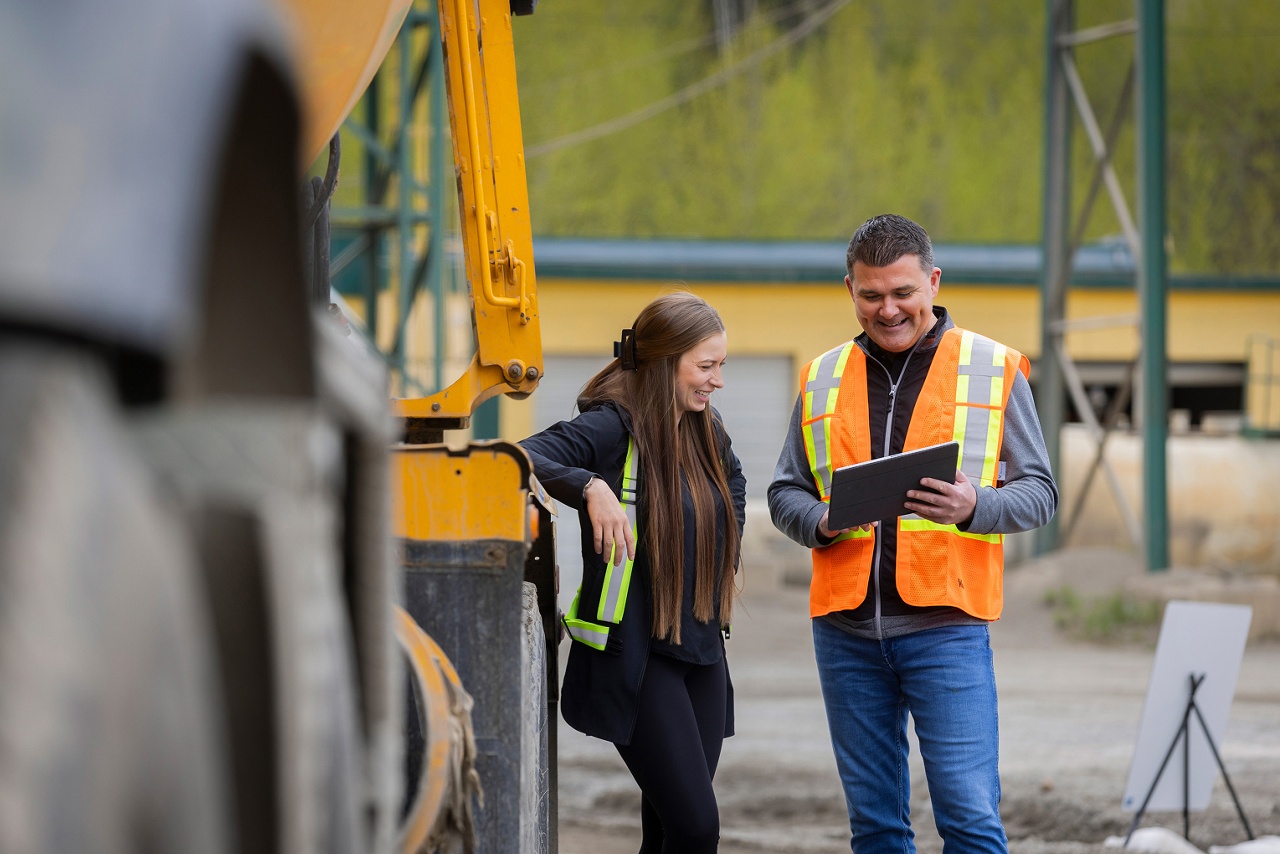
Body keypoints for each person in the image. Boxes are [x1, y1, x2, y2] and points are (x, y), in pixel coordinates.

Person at [768, 214, 1058, 854]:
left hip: (947, 629)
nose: (888, 309)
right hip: (844, 634)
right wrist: (818, 520)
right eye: (871, 296)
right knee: (874, 829)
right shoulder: (821, 376)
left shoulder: (992, 368)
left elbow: (1040, 493)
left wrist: (973, 506)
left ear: (932, 281)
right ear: (850, 289)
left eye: (903, 293)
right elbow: (784, 490)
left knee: (970, 822)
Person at [520, 291, 746, 853]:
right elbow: (517, 454)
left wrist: (720, 554)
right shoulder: (610, 426)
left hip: (701, 653)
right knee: (696, 830)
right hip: (641, 659)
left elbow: (734, 486)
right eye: (706, 366)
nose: (717, 380)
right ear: (667, 363)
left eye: (721, 365)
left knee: (669, 830)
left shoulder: (702, 426)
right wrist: (589, 487)